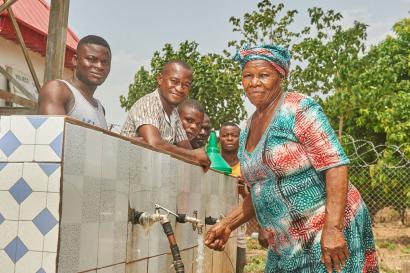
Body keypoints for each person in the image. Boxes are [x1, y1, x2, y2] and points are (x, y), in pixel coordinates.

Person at [205, 44, 379, 273]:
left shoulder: (297, 109)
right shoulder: (247, 127)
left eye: (263, 75)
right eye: (247, 76)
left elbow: (335, 166)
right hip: (286, 241)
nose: (254, 82)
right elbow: (261, 190)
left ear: (280, 76)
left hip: (324, 229)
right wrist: (227, 224)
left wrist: (333, 229)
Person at [121, 61, 210, 169]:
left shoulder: (174, 114)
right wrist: (194, 155)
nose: (179, 88)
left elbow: (187, 150)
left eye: (186, 85)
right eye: (174, 81)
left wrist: (198, 157)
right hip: (127, 176)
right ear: (160, 79)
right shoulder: (149, 103)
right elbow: (154, 144)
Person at [38, 35, 111, 129]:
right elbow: (52, 137)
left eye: (105, 62)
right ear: (75, 60)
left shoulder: (100, 109)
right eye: (91, 59)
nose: (99, 66)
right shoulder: (57, 90)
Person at [219, 122, 247, 273]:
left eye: (234, 135)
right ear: (219, 139)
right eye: (225, 135)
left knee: (238, 264)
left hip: (238, 225)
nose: (229, 138)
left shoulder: (245, 165)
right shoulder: (211, 162)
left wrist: (242, 190)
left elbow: (250, 199)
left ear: (240, 139)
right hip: (213, 220)